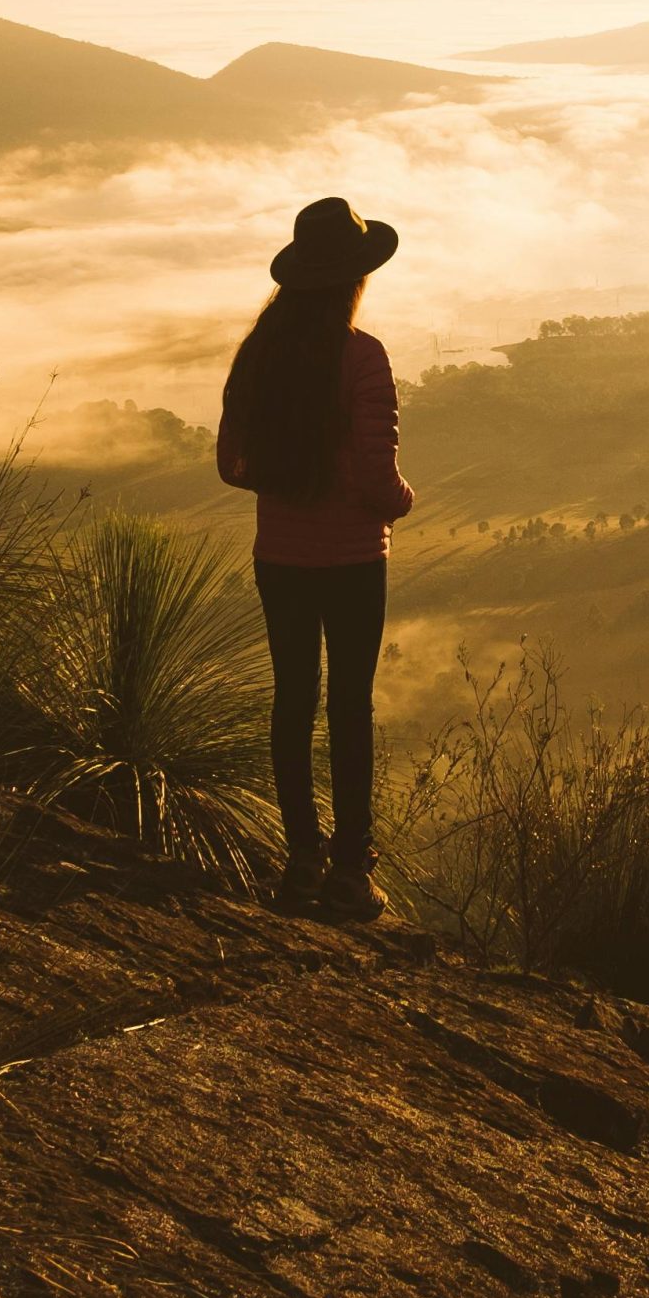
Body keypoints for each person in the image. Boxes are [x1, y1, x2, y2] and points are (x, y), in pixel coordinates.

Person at [216, 197, 413, 920]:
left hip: (282, 560)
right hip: (355, 560)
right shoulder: (362, 356)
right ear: (353, 279)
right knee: (349, 709)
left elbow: (231, 465)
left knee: (293, 702)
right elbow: (375, 479)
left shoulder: (260, 355)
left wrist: (288, 483)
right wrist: (403, 500)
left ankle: (300, 862)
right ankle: (351, 873)